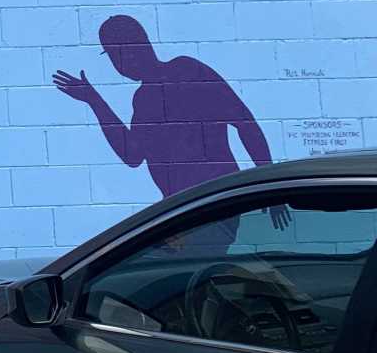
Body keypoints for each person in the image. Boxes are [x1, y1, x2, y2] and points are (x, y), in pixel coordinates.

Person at [54, 14, 287, 232]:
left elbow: (246, 124)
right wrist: (94, 100)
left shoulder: (188, 71)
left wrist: (269, 190)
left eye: (125, 52)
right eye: (114, 56)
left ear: (144, 44)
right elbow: (133, 154)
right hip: (180, 214)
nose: (123, 63)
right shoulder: (144, 97)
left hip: (211, 208)